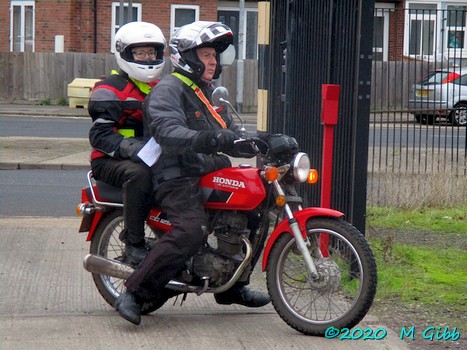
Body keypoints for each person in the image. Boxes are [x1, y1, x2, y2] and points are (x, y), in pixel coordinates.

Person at [115, 21, 270, 325]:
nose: (213, 62)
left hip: (205, 169)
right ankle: (134, 292)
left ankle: (233, 286)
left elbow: (231, 134)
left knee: (256, 209)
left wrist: (266, 142)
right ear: (186, 56)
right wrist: (212, 139)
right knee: (191, 230)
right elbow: (168, 133)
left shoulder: (206, 91)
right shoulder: (169, 89)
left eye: (215, 56)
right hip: (174, 174)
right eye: (207, 55)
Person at [88, 21, 166, 266]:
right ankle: (134, 244)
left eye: (151, 52)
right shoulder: (109, 89)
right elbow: (99, 136)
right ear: (124, 54)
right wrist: (135, 150)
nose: (147, 58)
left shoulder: (161, 88)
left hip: (153, 158)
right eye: (140, 53)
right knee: (139, 174)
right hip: (110, 161)